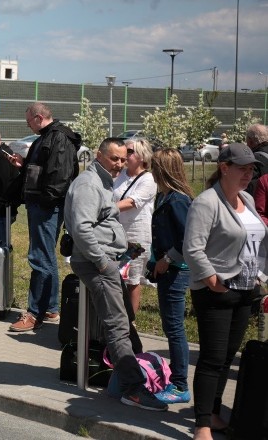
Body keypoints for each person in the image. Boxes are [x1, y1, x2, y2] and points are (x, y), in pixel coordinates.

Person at [65, 137, 168, 412]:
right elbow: (82, 229)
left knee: (125, 320)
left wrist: (123, 248)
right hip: (95, 263)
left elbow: (101, 223)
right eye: (114, 159)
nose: (120, 164)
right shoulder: (89, 184)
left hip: (106, 260)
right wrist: (103, 263)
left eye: (123, 159)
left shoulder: (104, 182)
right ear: (99, 155)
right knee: (118, 325)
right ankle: (132, 389)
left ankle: (129, 378)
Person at [183, 143, 267, 439]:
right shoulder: (207, 202)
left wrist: (260, 276)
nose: (248, 174)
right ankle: (202, 423)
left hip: (246, 289)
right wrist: (212, 280)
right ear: (224, 168)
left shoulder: (246, 197)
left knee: (228, 355)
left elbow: (254, 241)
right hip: (217, 291)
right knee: (212, 357)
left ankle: (215, 412)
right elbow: (192, 248)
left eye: (251, 169)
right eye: (242, 168)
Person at [8, 102, 81, 332]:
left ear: (39, 118)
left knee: (39, 257)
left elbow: (59, 176)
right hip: (41, 204)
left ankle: (35, 313)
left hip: (46, 206)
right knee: (45, 256)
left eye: (29, 121)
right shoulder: (46, 137)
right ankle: (50, 307)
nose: (28, 125)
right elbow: (43, 169)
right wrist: (24, 165)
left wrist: (45, 202)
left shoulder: (58, 138)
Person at [149, 148, 193, 405]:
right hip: (166, 269)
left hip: (177, 271)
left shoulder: (178, 201)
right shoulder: (163, 197)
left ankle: (180, 385)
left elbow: (188, 240)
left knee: (175, 328)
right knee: (170, 325)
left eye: (154, 166)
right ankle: (177, 381)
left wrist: (167, 260)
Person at [112, 138, 156, 315]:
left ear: (142, 156)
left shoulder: (149, 179)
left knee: (132, 280)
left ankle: (131, 321)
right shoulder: (119, 175)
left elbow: (132, 202)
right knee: (115, 277)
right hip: (116, 232)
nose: (125, 154)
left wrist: (102, 208)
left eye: (130, 151)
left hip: (136, 235)